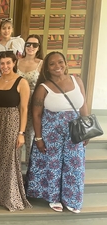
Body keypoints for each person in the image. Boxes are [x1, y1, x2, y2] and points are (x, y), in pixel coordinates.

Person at [26, 52, 88, 214]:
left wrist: (86, 130)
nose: (57, 66)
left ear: (66, 63)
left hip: (74, 131)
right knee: (52, 165)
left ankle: (72, 198)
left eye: (60, 62)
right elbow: (36, 115)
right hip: (51, 133)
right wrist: (38, 138)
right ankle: (53, 196)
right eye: (52, 64)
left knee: (74, 164)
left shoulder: (77, 81)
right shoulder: (43, 87)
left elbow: (83, 106)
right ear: (46, 68)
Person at [0, 51, 31, 211]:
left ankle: (10, 196)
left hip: (11, 120)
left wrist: (21, 133)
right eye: (2, 63)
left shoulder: (21, 82)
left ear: (14, 63)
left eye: (8, 63)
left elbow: (24, 108)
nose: (4, 66)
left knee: (9, 158)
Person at [17, 34, 43, 163]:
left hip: (34, 102)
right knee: (17, 134)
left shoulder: (41, 64)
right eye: (28, 44)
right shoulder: (17, 61)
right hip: (17, 102)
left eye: (35, 45)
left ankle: (30, 171)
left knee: (31, 136)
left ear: (39, 47)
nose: (31, 47)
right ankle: (16, 171)